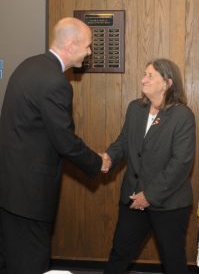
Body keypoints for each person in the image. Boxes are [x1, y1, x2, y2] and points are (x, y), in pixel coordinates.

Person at [0, 17, 104, 274]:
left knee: (9, 259)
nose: (90, 52)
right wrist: (98, 162)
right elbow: (65, 142)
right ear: (71, 45)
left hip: (9, 187)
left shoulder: (28, 65)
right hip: (29, 196)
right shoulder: (56, 82)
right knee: (30, 263)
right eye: (88, 46)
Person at [102, 58, 196, 274]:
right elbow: (124, 142)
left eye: (150, 75)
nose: (143, 79)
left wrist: (150, 195)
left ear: (168, 82)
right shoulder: (135, 108)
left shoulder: (182, 116)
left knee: (173, 262)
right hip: (133, 199)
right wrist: (108, 157)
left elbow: (180, 163)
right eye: (144, 74)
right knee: (119, 255)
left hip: (169, 203)